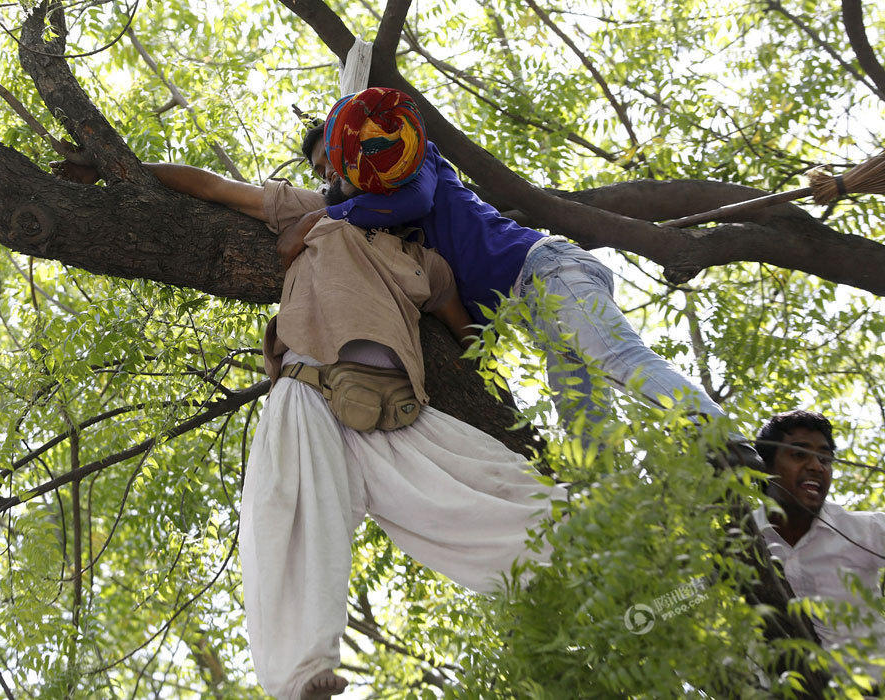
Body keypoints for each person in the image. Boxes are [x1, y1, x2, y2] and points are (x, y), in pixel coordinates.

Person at [53, 155, 569, 699]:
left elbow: (472, 343)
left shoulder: (427, 261)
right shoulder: (316, 211)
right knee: (284, 512)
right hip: (309, 388)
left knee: (492, 486)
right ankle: (304, 678)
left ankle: (594, 551)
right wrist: (107, 164)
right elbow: (211, 187)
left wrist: (496, 374)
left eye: (336, 159)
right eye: (325, 165)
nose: (329, 171)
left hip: (392, 411)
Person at [286, 88, 760, 463]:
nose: (326, 177)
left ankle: (726, 440)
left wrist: (329, 214)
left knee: (616, 357)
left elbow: (417, 202)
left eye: (328, 162)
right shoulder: (386, 227)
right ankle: (615, 514)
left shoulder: (418, 163)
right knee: (585, 429)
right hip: (536, 310)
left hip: (547, 271)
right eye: (319, 173)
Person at [754, 410, 885, 668]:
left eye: (825, 458)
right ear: (765, 466)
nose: (816, 466)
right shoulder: (740, 544)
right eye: (799, 454)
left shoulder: (864, 531)